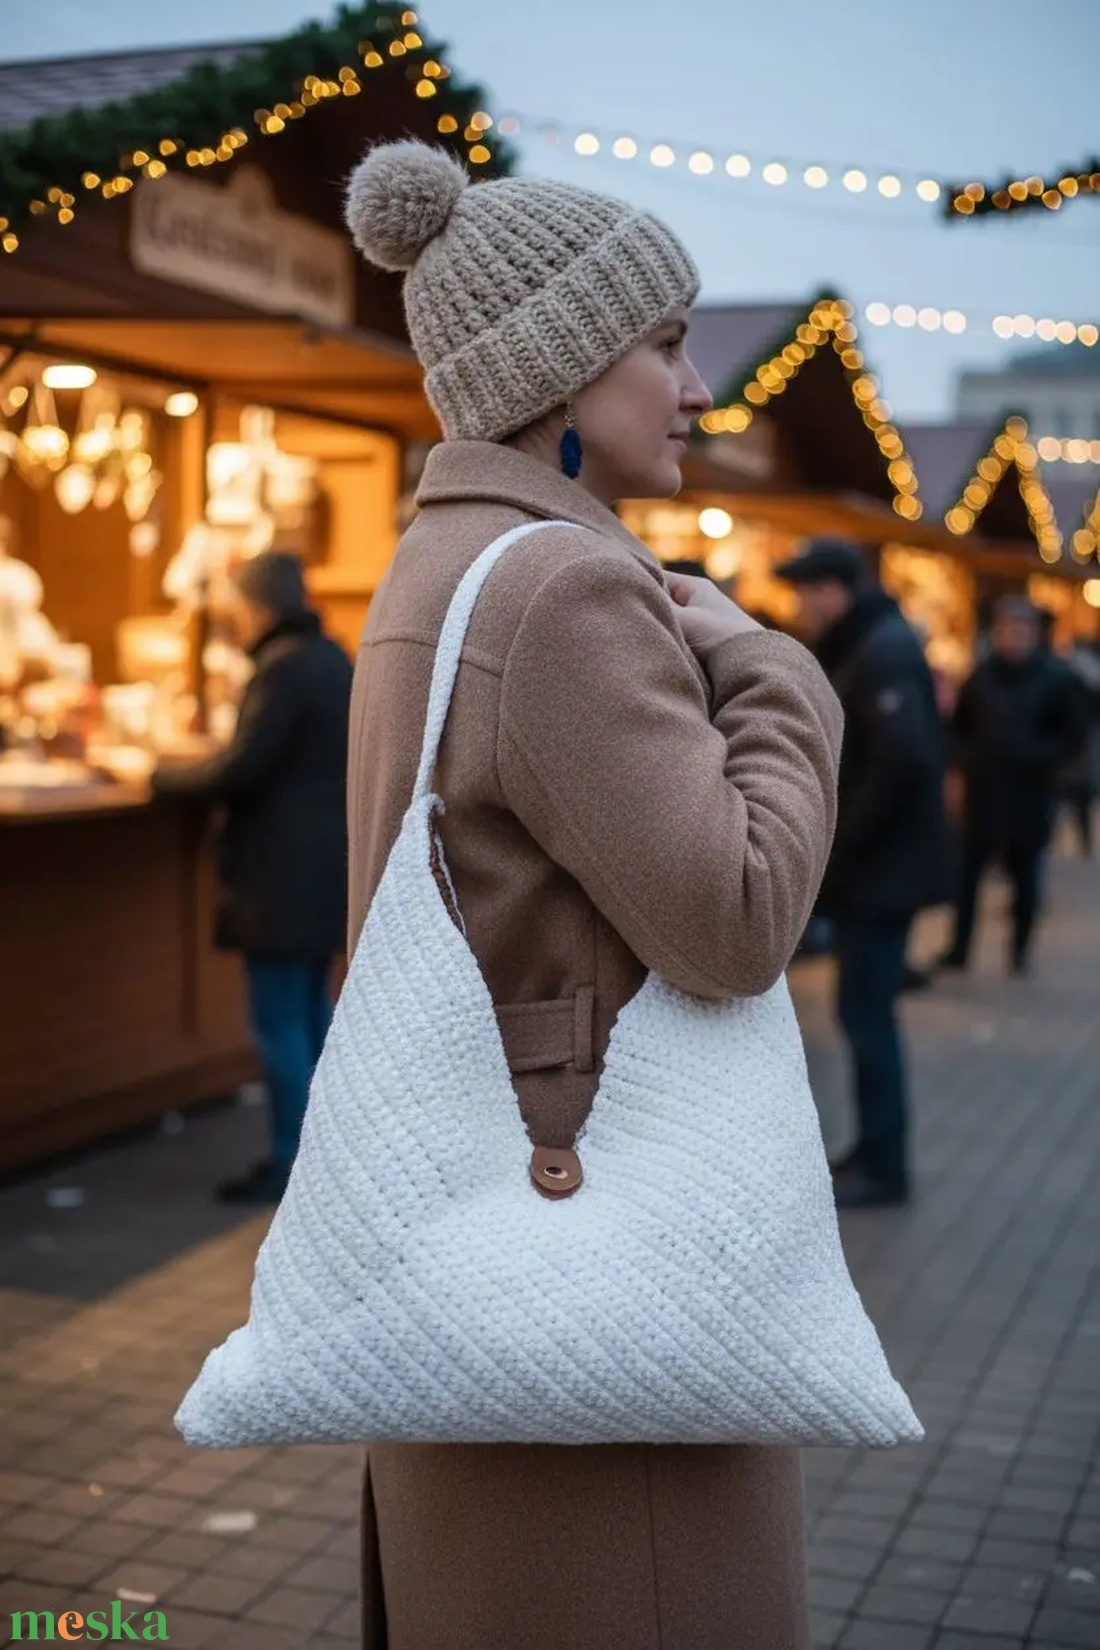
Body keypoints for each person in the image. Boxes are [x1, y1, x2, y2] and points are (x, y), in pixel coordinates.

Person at [342, 141, 843, 1650]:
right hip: (599, 1259)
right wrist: (774, 663)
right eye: (670, 343)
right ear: (562, 370)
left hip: (471, 1214)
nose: (700, 391)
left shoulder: (436, 561)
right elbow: (739, 919)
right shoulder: (565, 583)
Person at [152, 552, 352, 1205]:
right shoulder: (332, 660)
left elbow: (243, 769)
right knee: (312, 1014)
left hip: (278, 878)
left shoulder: (283, 669)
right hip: (325, 872)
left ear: (257, 606)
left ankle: (293, 1162)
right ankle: (330, 1157)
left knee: (280, 1023)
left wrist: (161, 778)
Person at [775, 538, 948, 1210]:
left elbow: (903, 763)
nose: (802, 606)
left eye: (806, 591)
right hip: (881, 872)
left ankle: (884, 1163)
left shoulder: (881, 650)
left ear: (833, 590)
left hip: (883, 876)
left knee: (866, 1015)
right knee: (863, 1013)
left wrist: (841, 842)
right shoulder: (875, 642)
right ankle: (874, 1151)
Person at [941, 596, 1085, 974]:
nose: (1015, 637)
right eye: (1009, 629)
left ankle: (1019, 952)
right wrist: (967, 760)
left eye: (1023, 630)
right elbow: (959, 728)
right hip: (984, 795)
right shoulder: (982, 674)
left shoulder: (1056, 679)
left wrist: (1036, 756)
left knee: (1026, 880)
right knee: (967, 877)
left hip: (1029, 796)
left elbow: (1072, 737)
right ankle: (959, 948)